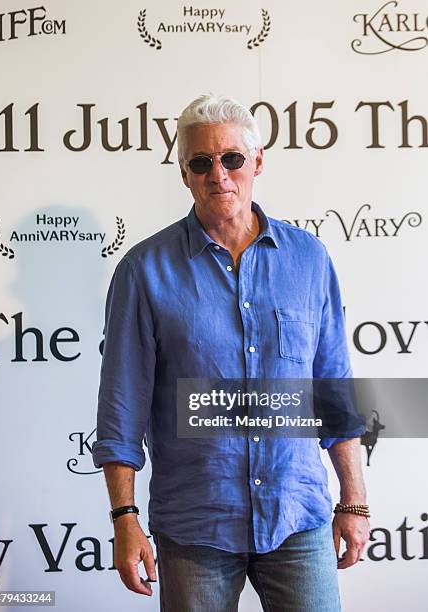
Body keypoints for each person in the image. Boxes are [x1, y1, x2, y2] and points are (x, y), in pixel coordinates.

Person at [92, 94, 370, 612]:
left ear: (258, 161)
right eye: (201, 162)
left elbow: (333, 387)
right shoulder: (143, 270)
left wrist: (353, 499)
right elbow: (122, 408)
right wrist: (124, 519)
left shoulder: (309, 259)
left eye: (232, 158)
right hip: (196, 526)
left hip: (297, 517)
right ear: (184, 174)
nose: (218, 174)